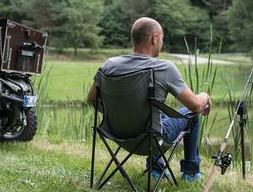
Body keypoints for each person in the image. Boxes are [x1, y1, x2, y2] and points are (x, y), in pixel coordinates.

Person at [87, 17, 212, 182]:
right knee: (190, 115)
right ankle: (190, 172)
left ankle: (157, 168)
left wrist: (116, 113)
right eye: (161, 38)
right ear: (154, 38)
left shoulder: (109, 65)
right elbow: (195, 105)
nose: (161, 42)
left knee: (157, 116)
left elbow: (91, 100)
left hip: (116, 134)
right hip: (150, 139)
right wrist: (205, 96)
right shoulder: (164, 68)